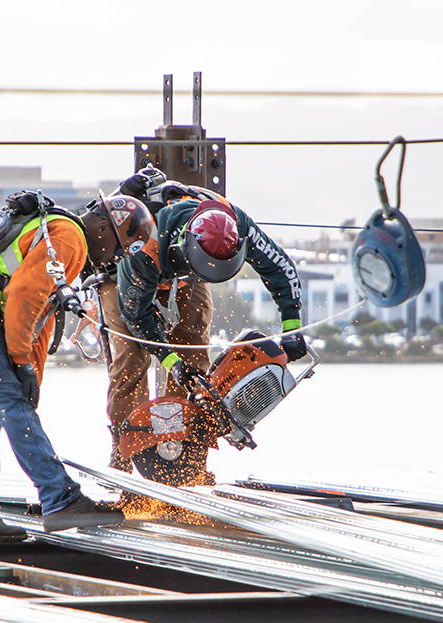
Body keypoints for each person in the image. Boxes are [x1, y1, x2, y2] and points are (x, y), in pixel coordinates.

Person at [0, 191, 155, 543]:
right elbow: (25, 295)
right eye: (115, 251)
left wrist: (30, 369)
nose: (109, 261)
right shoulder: (70, 239)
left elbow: (40, 314)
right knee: (9, 398)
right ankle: (60, 498)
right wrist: (21, 364)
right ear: (106, 231)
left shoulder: (56, 229)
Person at [99, 173, 306, 479]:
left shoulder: (236, 224)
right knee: (132, 360)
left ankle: (186, 461)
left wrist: (292, 328)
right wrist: (171, 361)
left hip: (186, 275)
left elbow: (281, 269)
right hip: (124, 276)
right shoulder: (146, 240)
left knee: (193, 354)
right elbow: (136, 315)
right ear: (186, 245)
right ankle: (123, 462)